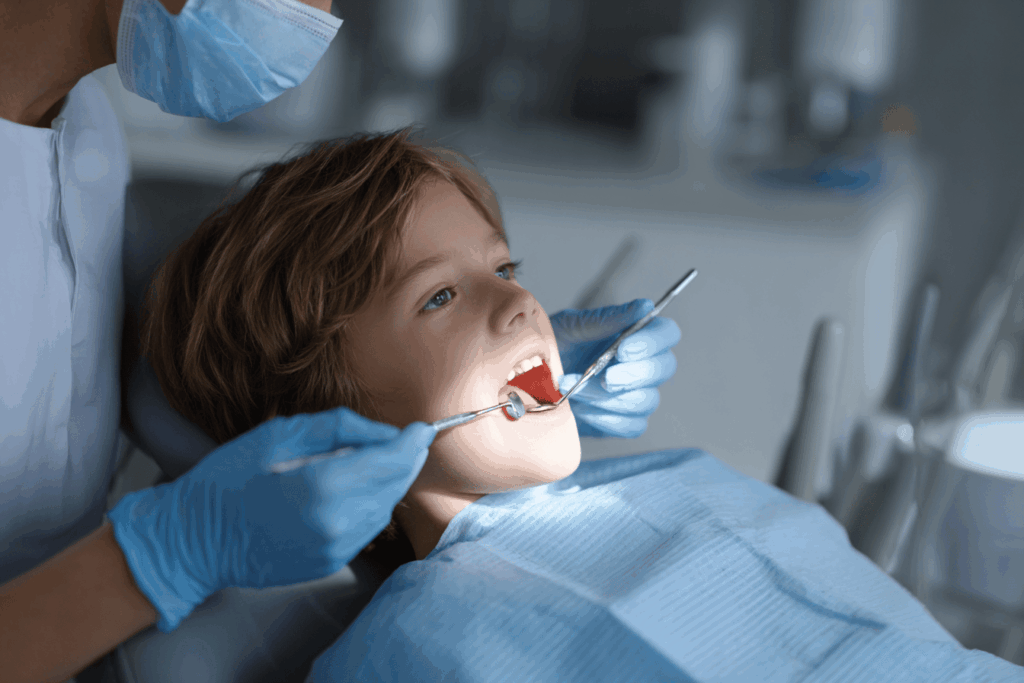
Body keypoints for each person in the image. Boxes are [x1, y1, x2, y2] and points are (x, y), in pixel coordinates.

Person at [142, 130, 1024, 682]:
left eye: (505, 268)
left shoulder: (689, 480)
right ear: (321, 413)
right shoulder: (401, 653)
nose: (522, 308)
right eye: (439, 298)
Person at [0, 2, 681, 682]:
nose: (315, 17)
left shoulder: (85, 124)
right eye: (439, 295)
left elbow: (58, 347)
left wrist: (510, 361)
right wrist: (164, 556)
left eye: (507, 270)